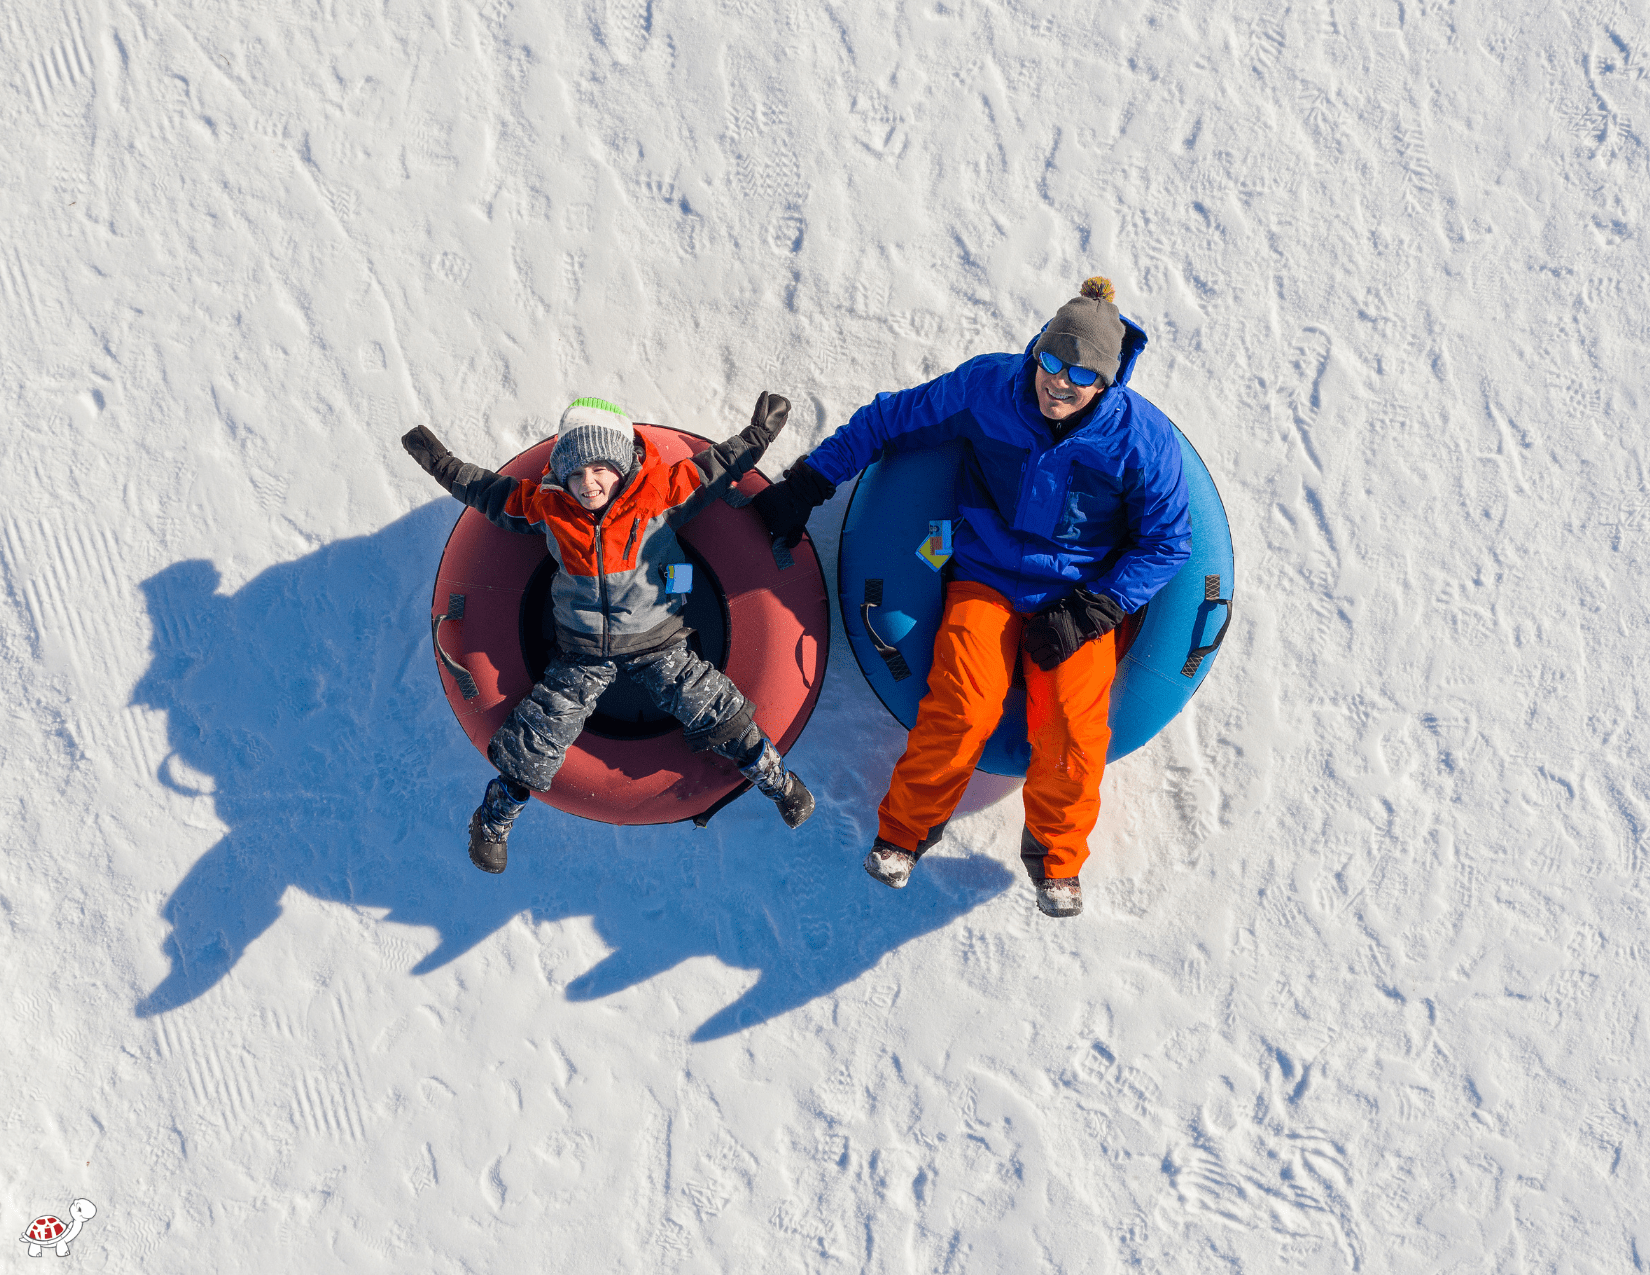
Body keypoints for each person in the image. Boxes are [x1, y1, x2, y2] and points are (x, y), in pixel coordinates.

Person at [754, 277, 1191, 918]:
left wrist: (1095, 608)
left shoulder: (1139, 441)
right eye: (1050, 360)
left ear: (1107, 381)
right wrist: (809, 481)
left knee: (1072, 726)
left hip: (1078, 595)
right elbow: (889, 419)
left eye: (1079, 374)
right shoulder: (989, 388)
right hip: (985, 577)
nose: (1058, 382)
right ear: (1035, 349)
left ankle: (1057, 861)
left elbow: (1170, 540)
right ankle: (904, 834)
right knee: (963, 705)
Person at [402, 393, 815, 873]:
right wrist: (440, 464)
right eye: (575, 473)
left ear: (623, 465)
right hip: (581, 654)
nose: (588, 483)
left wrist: (758, 435)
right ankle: (493, 821)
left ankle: (776, 781)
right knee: (539, 733)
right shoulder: (547, 508)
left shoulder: (657, 495)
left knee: (713, 705)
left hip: (659, 642)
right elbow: (489, 494)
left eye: (599, 469)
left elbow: (714, 470)